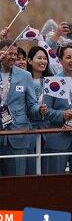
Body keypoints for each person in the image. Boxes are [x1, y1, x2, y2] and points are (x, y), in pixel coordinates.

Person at [0, 39, 42, 176]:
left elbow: (32, 105)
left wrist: (39, 110)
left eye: (15, 54)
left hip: (18, 135)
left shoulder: (25, 76)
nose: (13, 57)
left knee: (17, 182)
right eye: (9, 53)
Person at [42, 45, 72, 174]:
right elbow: (46, 111)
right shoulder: (52, 82)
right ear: (60, 60)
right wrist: (63, 115)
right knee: (55, 182)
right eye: (68, 57)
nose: (71, 60)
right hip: (58, 139)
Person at [26, 46, 52, 175]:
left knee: (47, 169)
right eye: (39, 58)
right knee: (30, 169)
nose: (43, 61)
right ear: (30, 61)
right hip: (28, 129)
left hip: (47, 129)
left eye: (45, 58)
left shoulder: (52, 81)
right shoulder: (23, 79)